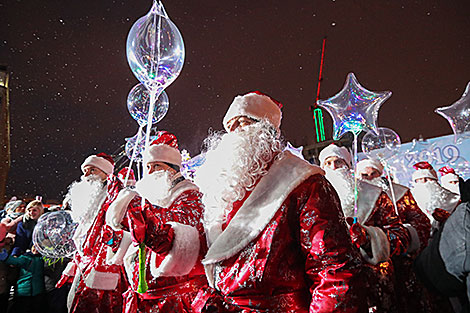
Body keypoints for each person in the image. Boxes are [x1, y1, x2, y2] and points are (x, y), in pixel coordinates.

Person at [193, 91, 366, 312]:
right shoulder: (222, 192)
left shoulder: (304, 183)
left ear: (266, 131)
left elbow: (333, 271)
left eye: (243, 123)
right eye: (230, 127)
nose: (234, 133)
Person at [105, 131, 207, 313]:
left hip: (175, 300)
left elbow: (172, 231)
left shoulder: (191, 194)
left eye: (156, 166)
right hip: (142, 297)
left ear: (172, 169)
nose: (150, 172)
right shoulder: (152, 197)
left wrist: (133, 205)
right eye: (148, 166)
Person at [319, 145, 411, 312]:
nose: (333, 168)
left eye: (339, 162)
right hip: (330, 288)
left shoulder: (375, 195)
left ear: (348, 166)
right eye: (328, 163)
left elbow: (401, 235)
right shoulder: (313, 199)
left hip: (373, 285)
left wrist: (369, 238)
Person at [357, 158, 434, 312]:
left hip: (404, 263)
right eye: (365, 175)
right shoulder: (355, 200)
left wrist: (402, 234)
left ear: (381, 174)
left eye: (374, 174)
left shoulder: (400, 193)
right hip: (375, 270)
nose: (370, 178)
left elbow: (422, 223)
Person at [57, 153, 126, 313]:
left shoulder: (114, 196)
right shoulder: (89, 198)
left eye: (92, 170)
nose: (86, 175)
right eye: (85, 171)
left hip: (100, 264)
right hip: (82, 261)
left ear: (106, 174)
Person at [410, 161, 460, 230]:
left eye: (427, 178)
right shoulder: (411, 201)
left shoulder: (456, 200)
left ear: (435, 181)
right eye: (420, 179)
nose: (424, 181)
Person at [0, 244, 45, 313]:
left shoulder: (26, 258)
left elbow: (13, 261)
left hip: (24, 292)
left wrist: (4, 255)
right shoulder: (42, 260)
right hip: (37, 293)